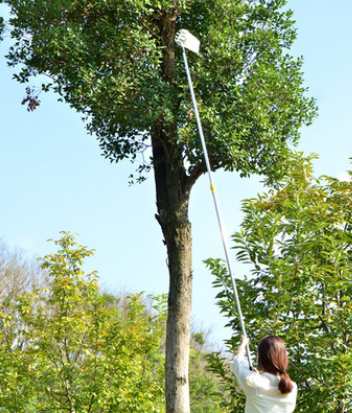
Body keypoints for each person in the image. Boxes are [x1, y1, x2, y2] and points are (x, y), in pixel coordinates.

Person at [230, 335, 297, 413]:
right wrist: (258, 376)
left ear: (260, 358)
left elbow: (238, 362)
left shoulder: (254, 383)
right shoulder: (293, 387)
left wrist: (242, 345)